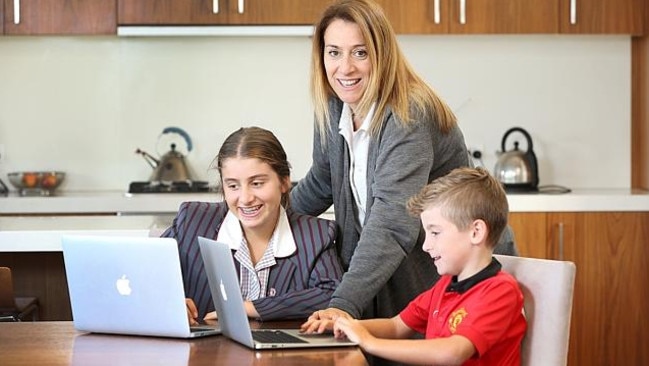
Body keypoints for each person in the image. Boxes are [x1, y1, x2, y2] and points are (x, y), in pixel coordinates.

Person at [293, 0, 518, 333]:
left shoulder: (407, 114)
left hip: (455, 279)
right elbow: (322, 182)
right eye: (333, 52)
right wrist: (264, 215)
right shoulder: (334, 106)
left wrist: (342, 305)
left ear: (381, 54)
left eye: (360, 52)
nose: (345, 68)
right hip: (402, 282)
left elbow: (392, 221)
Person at [333, 167, 527, 365]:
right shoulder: (445, 285)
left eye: (435, 233)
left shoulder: (500, 291)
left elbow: (452, 353)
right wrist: (346, 325)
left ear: (476, 232)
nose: (426, 246)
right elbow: (397, 326)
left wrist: (369, 342)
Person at [161, 126, 344, 323]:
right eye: (233, 186)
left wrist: (250, 307)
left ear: (284, 182)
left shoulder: (317, 235)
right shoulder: (193, 221)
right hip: (204, 352)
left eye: (257, 183)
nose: (245, 198)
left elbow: (332, 294)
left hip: (280, 353)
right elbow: (146, 274)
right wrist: (167, 299)